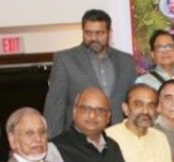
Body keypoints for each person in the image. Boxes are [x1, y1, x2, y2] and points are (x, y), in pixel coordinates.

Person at [43, 9, 137, 137]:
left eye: (99, 33)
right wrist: (54, 142)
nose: (93, 38)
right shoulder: (65, 60)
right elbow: (55, 105)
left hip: (118, 136)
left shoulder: (126, 61)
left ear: (109, 33)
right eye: (88, 33)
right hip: (78, 138)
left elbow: (133, 101)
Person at [136, 29, 174, 105]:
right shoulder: (143, 82)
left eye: (170, 47)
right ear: (152, 54)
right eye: (159, 48)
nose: (165, 51)